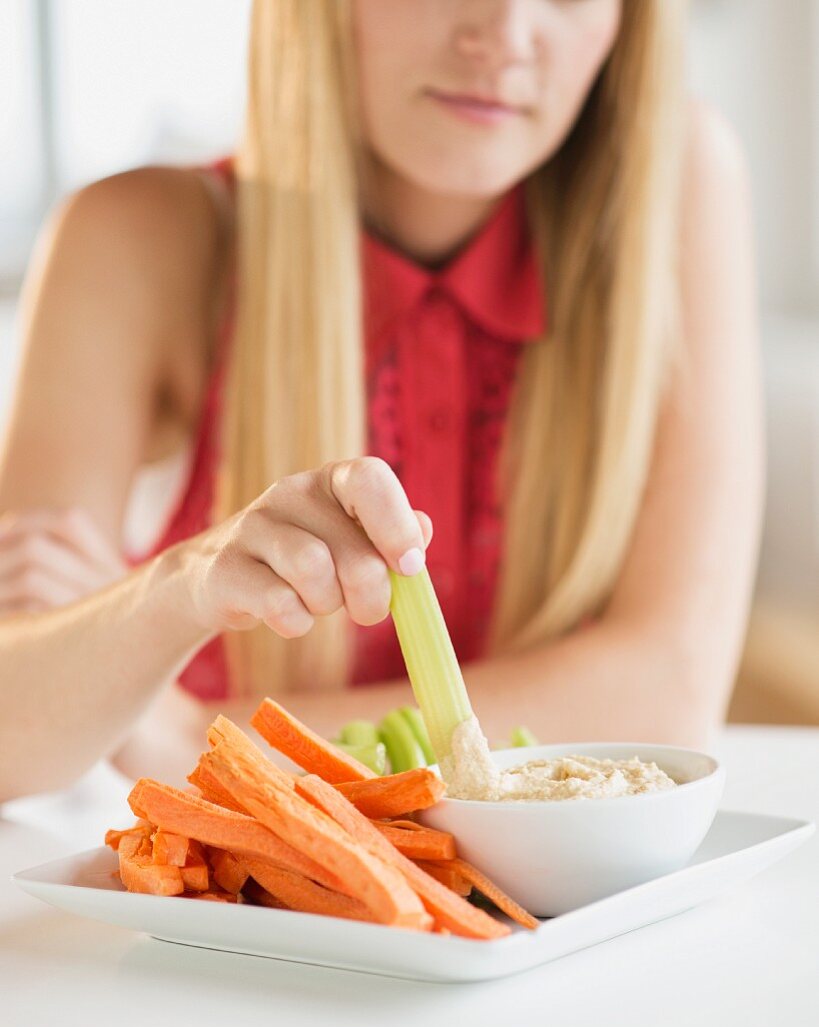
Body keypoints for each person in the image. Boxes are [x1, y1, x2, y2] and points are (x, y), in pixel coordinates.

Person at [0, 0, 762, 801]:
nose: (502, 35)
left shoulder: (672, 184)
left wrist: (190, 731)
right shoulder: (139, 237)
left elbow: (665, 696)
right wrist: (171, 594)